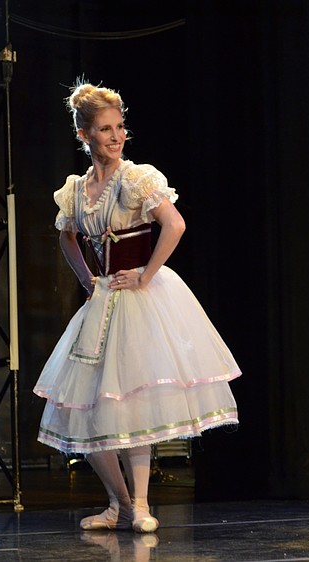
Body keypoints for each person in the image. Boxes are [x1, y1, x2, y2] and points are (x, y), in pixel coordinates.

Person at [33, 80, 241, 533]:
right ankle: (119, 504)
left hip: (140, 299)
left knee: (134, 403)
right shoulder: (76, 189)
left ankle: (141, 504)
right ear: (84, 134)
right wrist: (88, 280)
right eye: (105, 129)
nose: (116, 136)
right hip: (103, 300)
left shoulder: (136, 177)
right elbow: (67, 237)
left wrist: (146, 274)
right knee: (86, 409)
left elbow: (175, 223)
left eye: (120, 126)